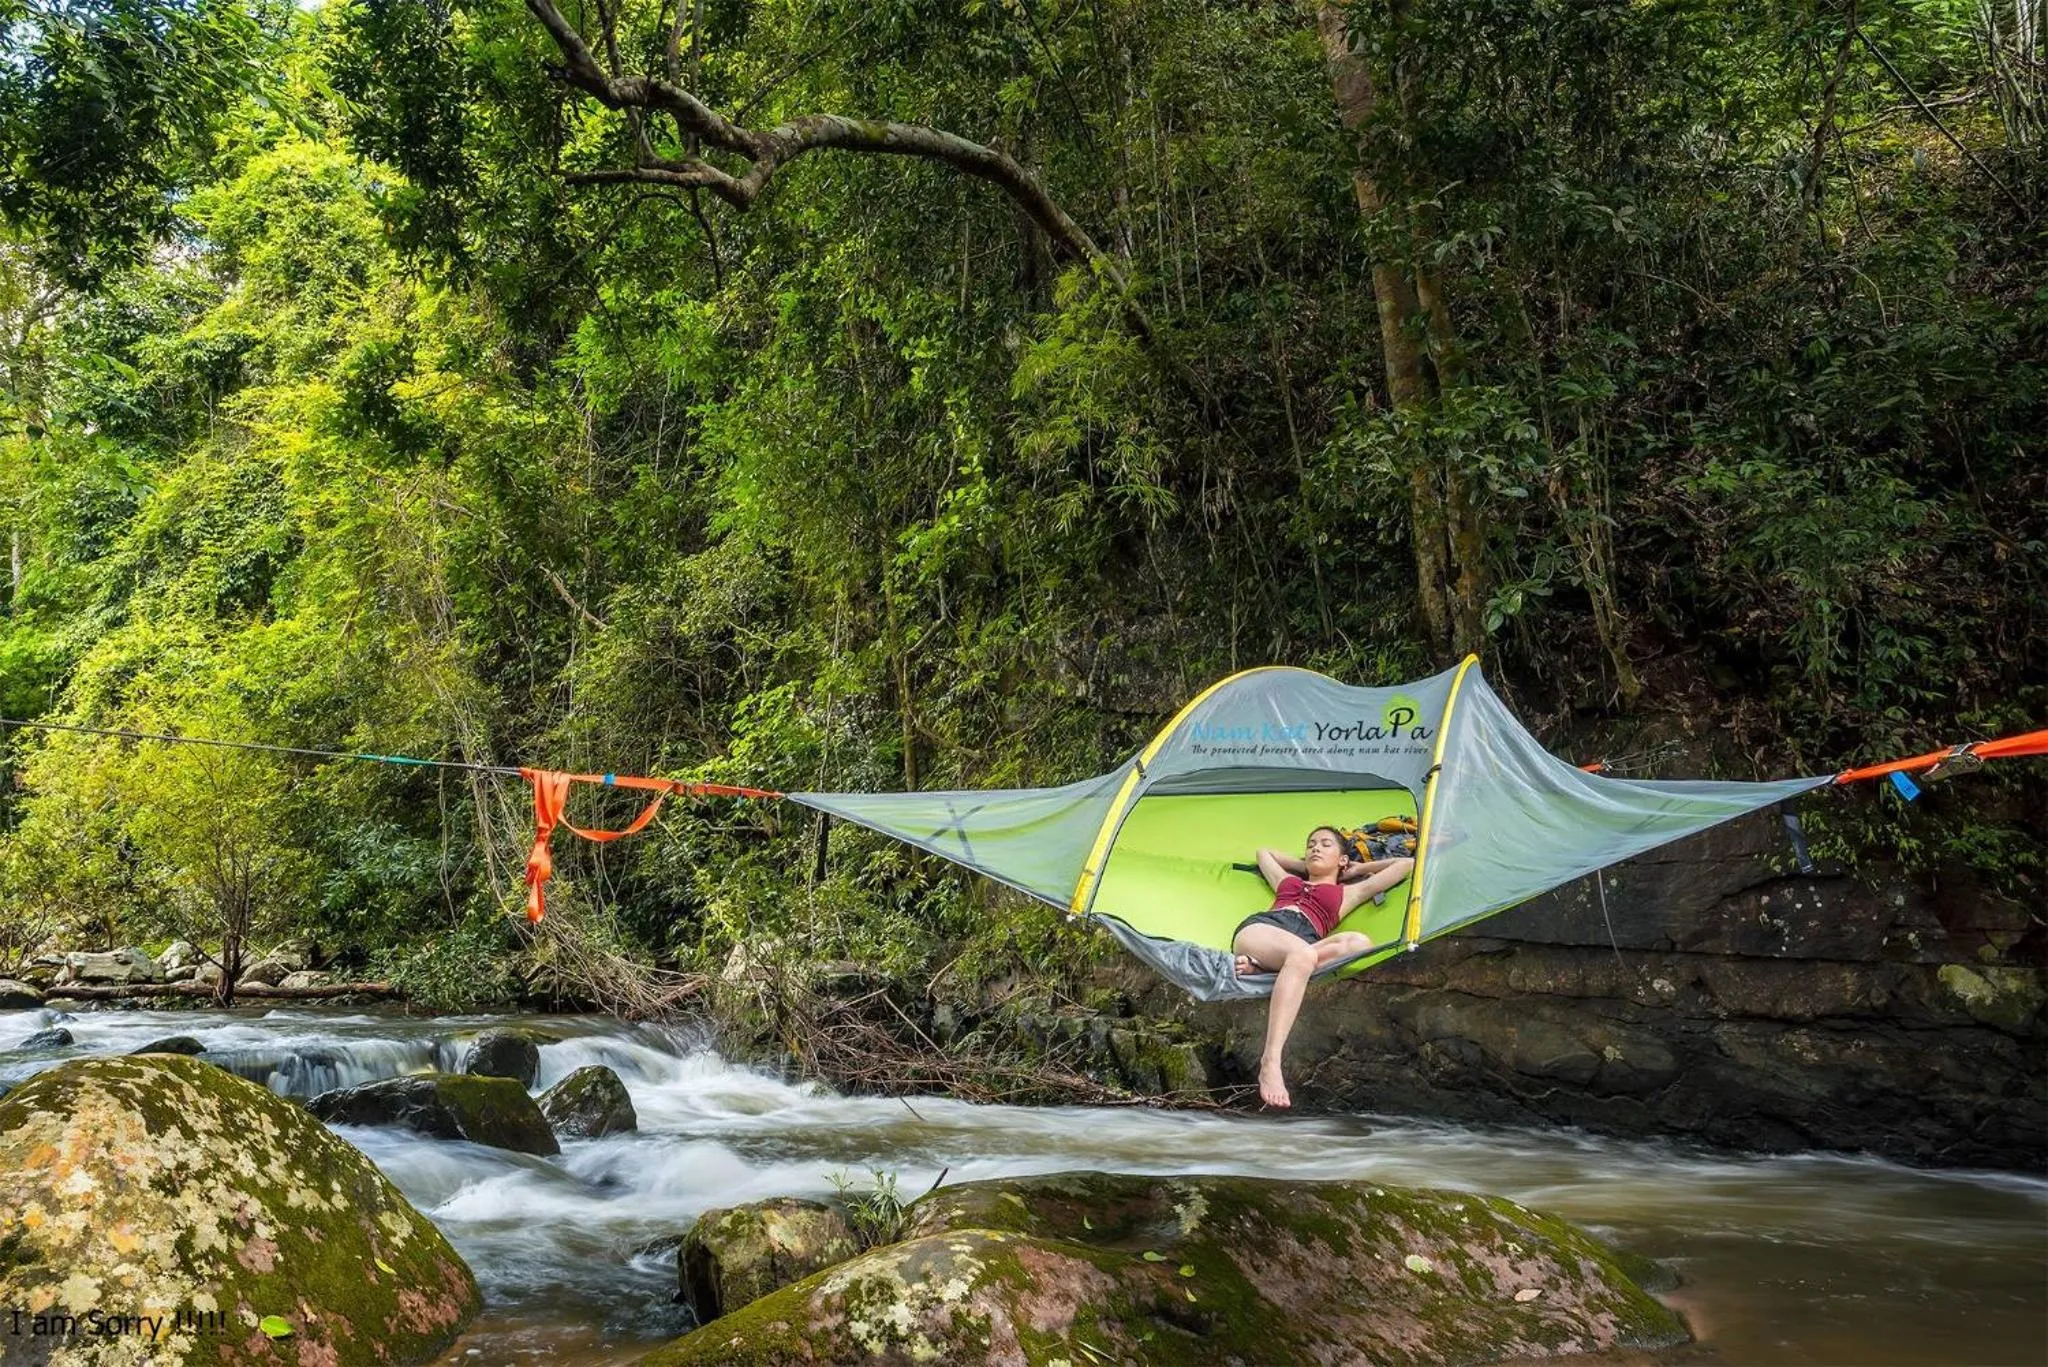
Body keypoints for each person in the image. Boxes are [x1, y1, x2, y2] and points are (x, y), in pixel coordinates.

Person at [1233, 826, 1414, 1109]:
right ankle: (1270, 1059)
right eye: (1311, 844)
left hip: (1304, 944)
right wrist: (1305, 865)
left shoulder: (1348, 893)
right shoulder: (1286, 882)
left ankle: (1265, 970)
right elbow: (1263, 853)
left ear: (1342, 859)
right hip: (1265, 930)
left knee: (1360, 942)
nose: (1315, 848)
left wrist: (1356, 869)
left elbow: (1406, 864)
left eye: (1325, 844)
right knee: (1302, 956)